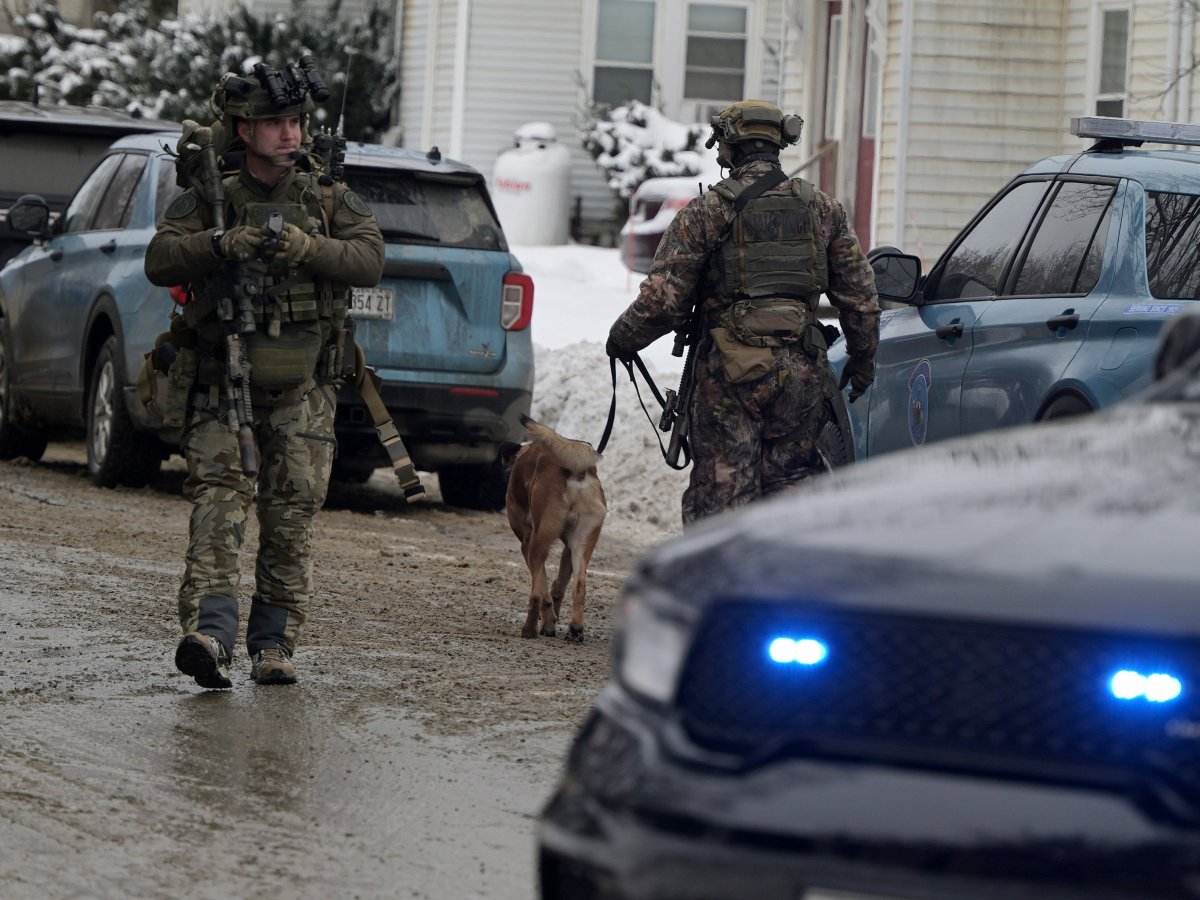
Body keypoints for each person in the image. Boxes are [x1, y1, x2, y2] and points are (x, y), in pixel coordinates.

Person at [145, 62, 384, 689]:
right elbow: (160, 256)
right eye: (275, 122)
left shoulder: (327, 198)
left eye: (297, 121)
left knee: (290, 520)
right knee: (218, 512)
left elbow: (369, 259)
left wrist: (308, 248)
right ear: (245, 130)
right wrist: (219, 243)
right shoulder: (211, 195)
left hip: (305, 392)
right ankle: (210, 637)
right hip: (224, 383)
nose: (290, 133)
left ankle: (273, 645)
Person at [606, 99, 880, 525]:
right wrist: (862, 358)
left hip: (729, 379)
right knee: (790, 496)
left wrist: (623, 338)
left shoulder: (707, 212)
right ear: (777, 146)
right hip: (800, 376)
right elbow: (860, 298)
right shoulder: (823, 209)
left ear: (728, 149)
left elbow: (663, 302)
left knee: (723, 501)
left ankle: (722, 569)